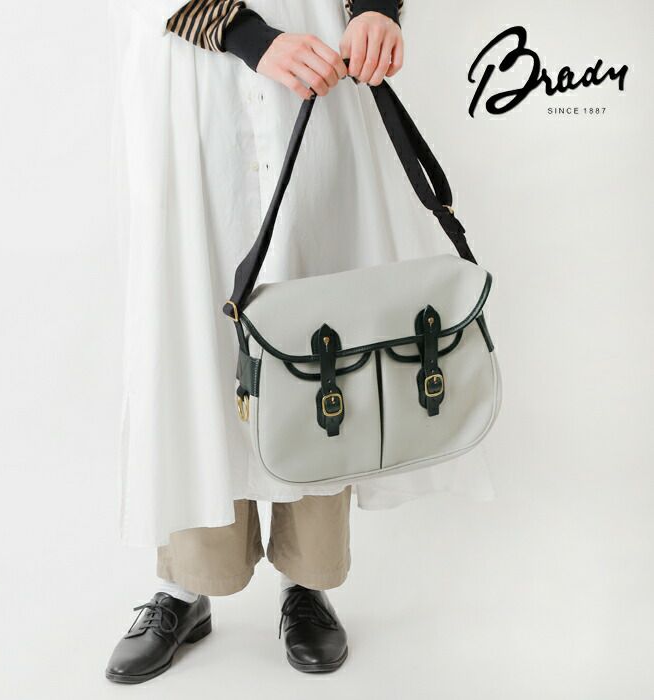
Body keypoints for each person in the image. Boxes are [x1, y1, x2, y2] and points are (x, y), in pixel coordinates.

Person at [106, 0, 491, 682]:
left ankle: (306, 581)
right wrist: (245, 35)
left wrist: (376, 11)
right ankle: (184, 584)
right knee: (194, 322)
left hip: (318, 67)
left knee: (321, 332)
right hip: (195, 81)